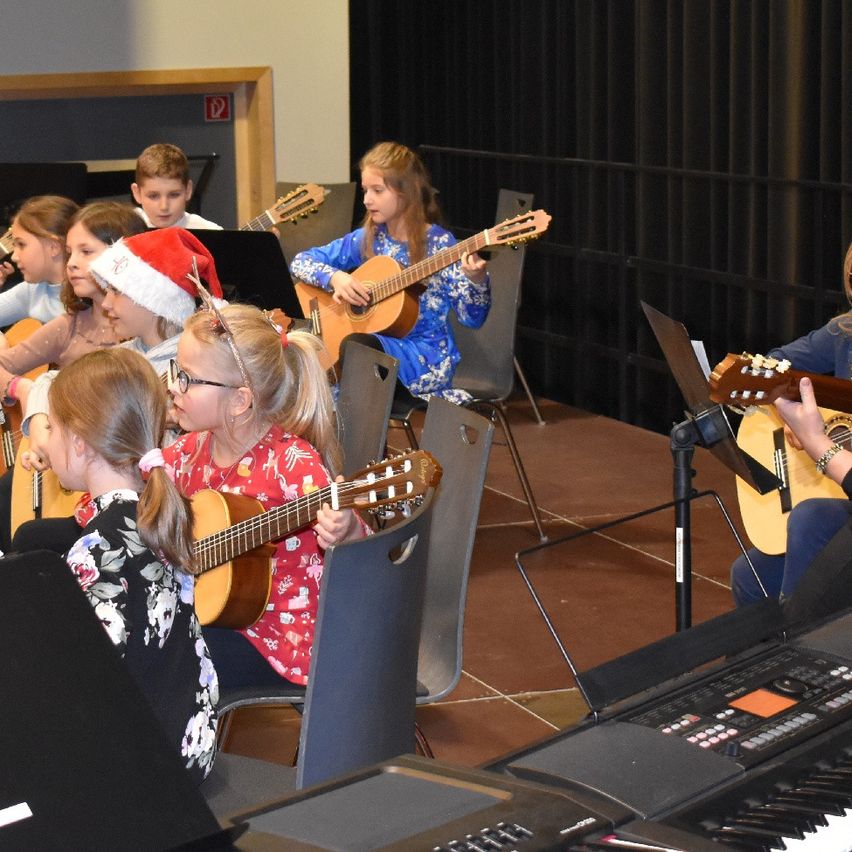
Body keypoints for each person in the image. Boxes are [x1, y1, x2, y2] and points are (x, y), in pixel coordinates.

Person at [162, 297, 366, 690]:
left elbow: (363, 553)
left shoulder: (291, 464)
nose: (174, 386)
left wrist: (348, 530)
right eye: (177, 371)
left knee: (164, 660)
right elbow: (144, 487)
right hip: (218, 616)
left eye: (187, 377)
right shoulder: (193, 449)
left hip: (283, 639)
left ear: (240, 400)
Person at [46, 347, 218, 783]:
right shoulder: (157, 514)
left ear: (80, 443)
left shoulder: (97, 548)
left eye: (52, 427)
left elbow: (82, 683)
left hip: (143, 772)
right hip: (188, 742)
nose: (44, 441)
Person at [9, 227, 224, 556]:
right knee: (28, 537)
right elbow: (53, 381)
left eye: (117, 293)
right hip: (111, 502)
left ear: (150, 299)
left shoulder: (182, 366)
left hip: (151, 512)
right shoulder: (131, 354)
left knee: (31, 542)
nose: (105, 304)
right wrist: (40, 421)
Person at [289, 140, 490, 403]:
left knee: (355, 351)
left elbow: (471, 318)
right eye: (365, 190)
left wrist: (477, 281)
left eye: (377, 190)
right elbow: (301, 261)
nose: (367, 200)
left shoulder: (440, 244)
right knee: (307, 357)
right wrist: (336, 278)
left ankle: (353, 441)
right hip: (372, 348)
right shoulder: (370, 237)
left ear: (405, 192)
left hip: (424, 357)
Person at [731, 240, 852, 606]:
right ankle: (760, 662)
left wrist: (820, 444)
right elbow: (772, 366)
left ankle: (798, 651)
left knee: (811, 517)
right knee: (748, 576)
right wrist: (794, 413)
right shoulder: (844, 332)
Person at [0, 201, 146, 419]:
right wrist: (21, 389)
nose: (71, 263)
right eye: (70, 253)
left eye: (85, 251)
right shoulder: (70, 325)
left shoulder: (149, 327)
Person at [0, 195, 79, 328]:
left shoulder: (93, 299)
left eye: (21, 244)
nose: (14, 256)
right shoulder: (33, 290)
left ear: (54, 247)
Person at [132, 142, 223, 230]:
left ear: (188, 191)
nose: (164, 207)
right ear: (137, 193)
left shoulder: (210, 232)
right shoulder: (126, 228)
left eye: (174, 195)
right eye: (153, 196)